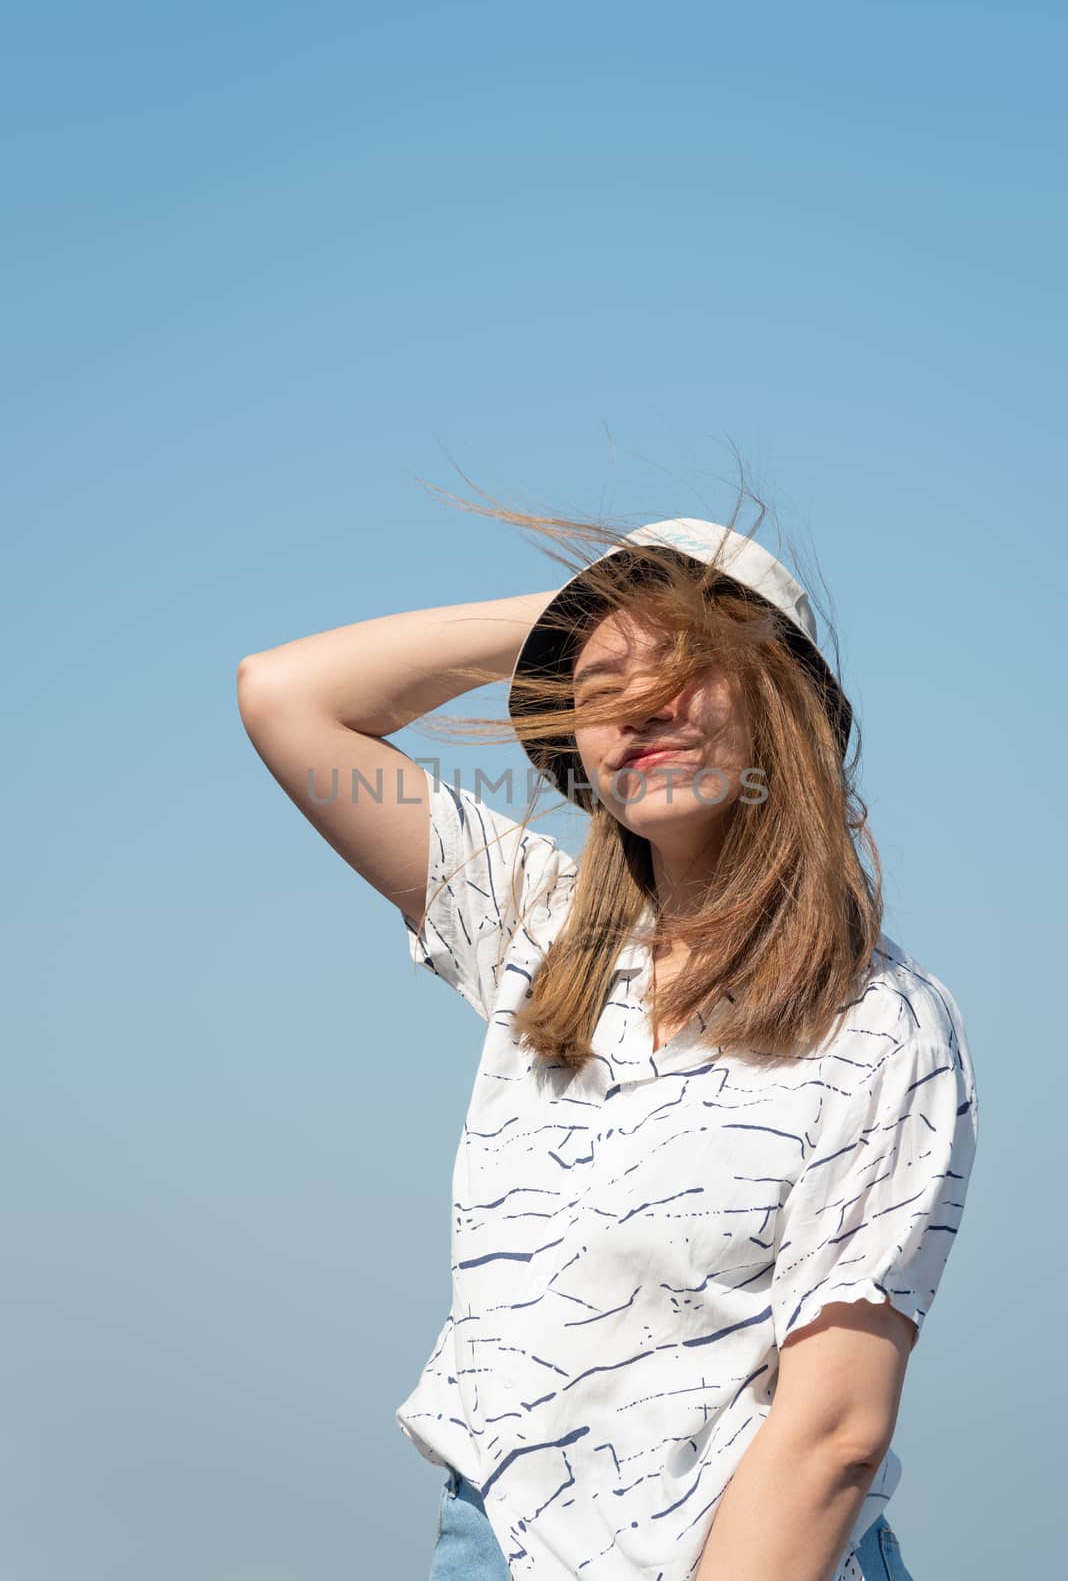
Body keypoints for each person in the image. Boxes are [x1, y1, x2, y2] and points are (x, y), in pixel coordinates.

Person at [237, 502, 979, 1581]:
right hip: (496, 1547)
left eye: (684, 665)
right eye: (602, 689)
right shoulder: (536, 932)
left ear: (779, 704)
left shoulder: (880, 1021)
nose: (639, 705)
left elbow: (832, 1435)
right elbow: (286, 694)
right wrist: (579, 615)